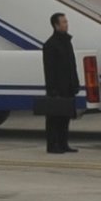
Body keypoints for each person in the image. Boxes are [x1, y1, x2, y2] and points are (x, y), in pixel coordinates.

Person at [40, 12, 78, 154]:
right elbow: (49, 69)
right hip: (57, 88)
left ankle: (63, 143)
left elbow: (71, 64)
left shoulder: (67, 42)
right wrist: (53, 89)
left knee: (65, 117)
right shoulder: (51, 45)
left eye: (66, 21)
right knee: (54, 118)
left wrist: (75, 83)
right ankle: (52, 145)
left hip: (68, 86)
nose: (66, 24)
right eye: (63, 22)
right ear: (56, 25)